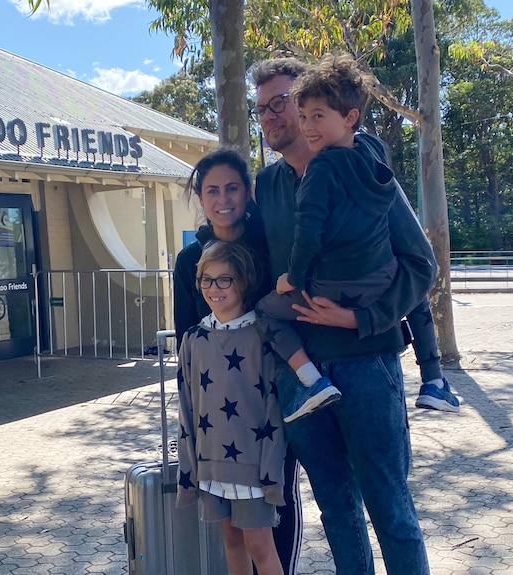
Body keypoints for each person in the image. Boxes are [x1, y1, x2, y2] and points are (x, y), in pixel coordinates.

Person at [250, 55, 437, 574]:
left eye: (283, 103)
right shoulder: (267, 187)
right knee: (337, 511)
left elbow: (421, 265)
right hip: (299, 374)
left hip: (366, 365)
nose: (274, 116)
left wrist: (361, 320)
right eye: (262, 108)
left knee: (391, 510)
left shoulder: (365, 170)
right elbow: (255, 266)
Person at [173, 148, 303, 574]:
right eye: (212, 190)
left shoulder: (270, 241)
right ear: (200, 196)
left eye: (232, 187)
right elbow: (186, 336)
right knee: (231, 537)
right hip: (218, 412)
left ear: (248, 192)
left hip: (267, 398)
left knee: (271, 517)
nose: (223, 198)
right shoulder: (189, 260)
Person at [176, 240, 286, 575]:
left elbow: (273, 409)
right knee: (231, 543)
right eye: (206, 280)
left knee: (261, 548)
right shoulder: (193, 339)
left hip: (252, 468)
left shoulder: (262, 336)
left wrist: (270, 473)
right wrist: (189, 467)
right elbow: (186, 407)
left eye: (224, 279)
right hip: (210, 467)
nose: (214, 288)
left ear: (243, 281)